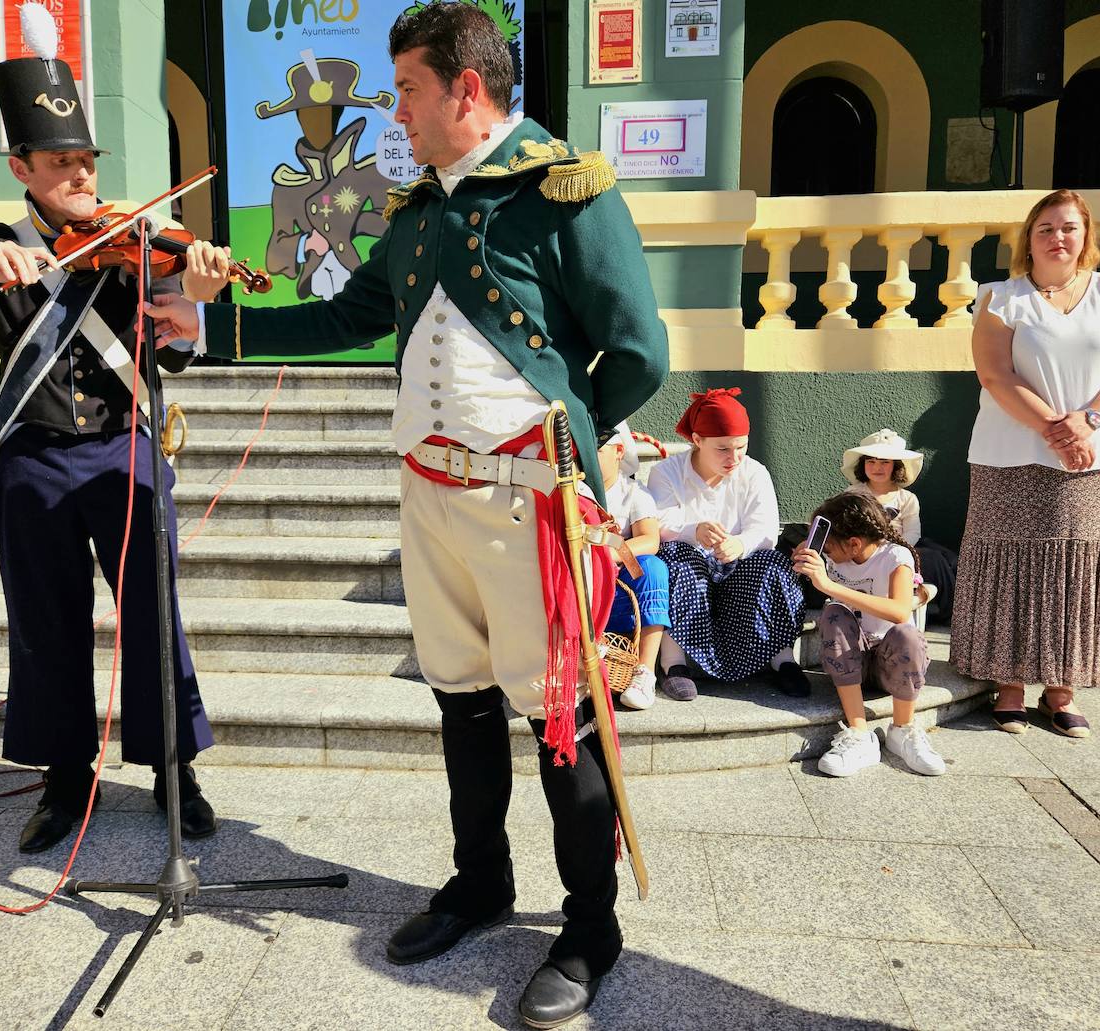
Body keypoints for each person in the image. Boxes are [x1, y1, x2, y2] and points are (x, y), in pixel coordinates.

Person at [145, 5, 668, 1025]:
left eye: (408, 90)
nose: (397, 112)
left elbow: (638, 347)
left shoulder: (566, 194)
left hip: (528, 499)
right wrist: (208, 326)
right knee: (460, 697)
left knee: (559, 712)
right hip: (427, 490)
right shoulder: (421, 208)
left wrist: (565, 437)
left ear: (466, 91)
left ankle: (591, 924)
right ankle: (482, 883)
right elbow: (350, 314)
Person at [0, 21, 230, 853]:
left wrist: (199, 301)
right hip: (30, 457)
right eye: (62, 163)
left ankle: (175, 770)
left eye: (88, 162)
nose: (81, 176)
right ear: (22, 169)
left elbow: (182, 343)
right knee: (45, 618)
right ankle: (67, 777)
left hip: (124, 446)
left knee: (153, 612)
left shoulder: (139, 236)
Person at [959, 188, 1100, 738]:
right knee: (1012, 564)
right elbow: (995, 374)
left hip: (1099, 455)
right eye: (1046, 228)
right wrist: (1054, 430)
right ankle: (1010, 684)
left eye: (1068, 227)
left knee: (1077, 567)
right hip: (1011, 453)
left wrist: (1087, 422)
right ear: (1029, 238)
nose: (1057, 237)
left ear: (1086, 235)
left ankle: (1062, 688)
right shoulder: (1001, 298)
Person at [644, 388, 809, 701]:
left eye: (740, 447)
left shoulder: (755, 473)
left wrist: (739, 544)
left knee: (772, 563)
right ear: (697, 440)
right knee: (676, 558)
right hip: (694, 568)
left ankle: (782, 659)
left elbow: (765, 530)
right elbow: (659, 524)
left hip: (737, 570)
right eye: (722, 449)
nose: (733, 458)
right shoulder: (665, 473)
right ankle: (673, 663)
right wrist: (695, 530)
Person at [793, 493, 944, 777]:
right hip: (853, 663)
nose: (825, 551)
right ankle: (859, 734)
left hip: (892, 665)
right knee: (834, 614)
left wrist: (828, 585)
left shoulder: (896, 558)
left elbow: (900, 611)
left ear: (854, 544)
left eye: (828, 544)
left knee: (906, 634)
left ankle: (902, 730)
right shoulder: (833, 552)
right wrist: (805, 549)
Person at [841, 428, 958, 623]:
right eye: (871, 461)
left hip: (900, 550)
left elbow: (913, 532)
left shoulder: (907, 498)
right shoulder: (853, 494)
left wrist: (894, 550)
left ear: (896, 467)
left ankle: (950, 613)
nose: (877, 467)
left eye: (885, 462)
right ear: (863, 465)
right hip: (862, 551)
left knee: (936, 559)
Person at [597, 425, 668, 711]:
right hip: (579, 581)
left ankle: (644, 672)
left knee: (652, 568)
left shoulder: (632, 491)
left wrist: (611, 551)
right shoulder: (572, 487)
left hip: (617, 586)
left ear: (618, 452)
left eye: (598, 450)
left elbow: (650, 540)